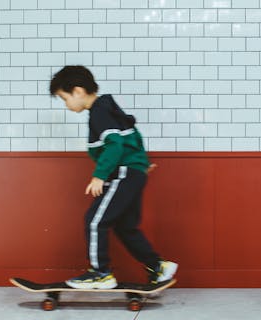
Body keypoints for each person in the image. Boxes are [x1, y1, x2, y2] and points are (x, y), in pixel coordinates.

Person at [49, 65, 178, 289]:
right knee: (125, 226)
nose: (66, 105)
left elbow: (115, 145)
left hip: (123, 173)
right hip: (133, 173)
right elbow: (132, 137)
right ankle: (157, 266)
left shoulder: (99, 111)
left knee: (95, 220)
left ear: (78, 91)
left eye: (64, 98)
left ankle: (100, 274)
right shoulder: (110, 109)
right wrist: (140, 165)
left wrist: (99, 175)